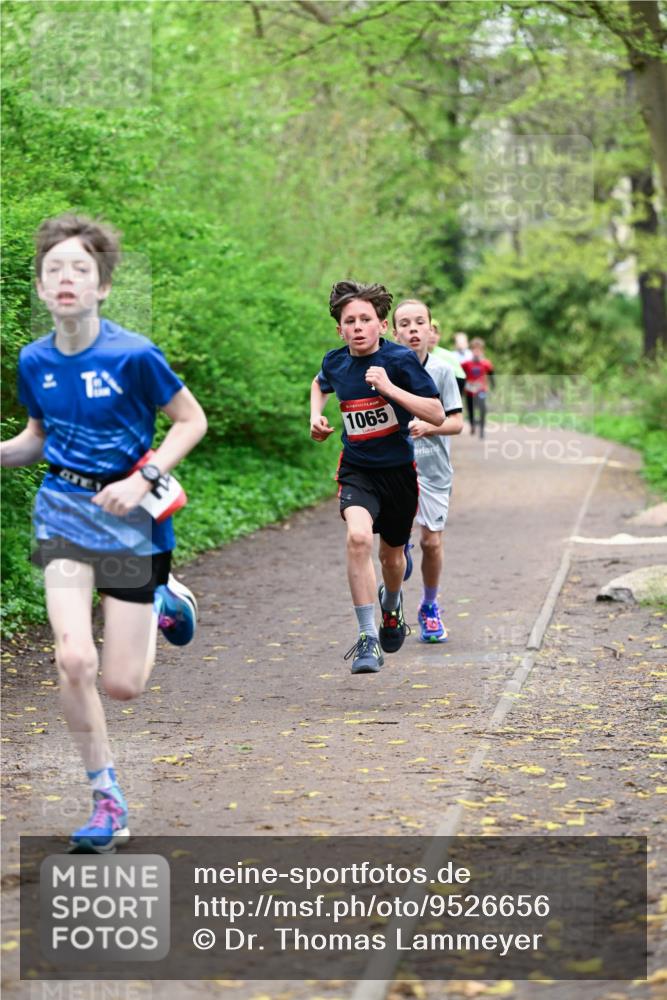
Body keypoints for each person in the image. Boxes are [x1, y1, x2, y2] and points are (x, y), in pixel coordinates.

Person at [0, 214, 207, 851]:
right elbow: (37, 439)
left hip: (130, 521)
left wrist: (144, 479)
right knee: (72, 659)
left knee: (123, 684)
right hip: (62, 510)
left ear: (102, 287)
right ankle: (106, 798)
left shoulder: (133, 355)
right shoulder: (33, 360)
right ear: (40, 287)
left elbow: (189, 422)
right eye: (54, 269)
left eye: (80, 269)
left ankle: (168, 596)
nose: (66, 279)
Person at [310, 281, 444, 675]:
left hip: (399, 474)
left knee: (392, 559)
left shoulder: (401, 361)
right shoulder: (335, 362)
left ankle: (392, 606)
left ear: (381, 325)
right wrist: (315, 418)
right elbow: (319, 384)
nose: (357, 327)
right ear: (340, 330)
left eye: (365, 319)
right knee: (357, 538)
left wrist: (389, 388)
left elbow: (436, 413)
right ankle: (367, 636)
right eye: (349, 321)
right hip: (358, 470)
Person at [392, 299, 463, 642]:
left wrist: (429, 427)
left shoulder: (442, 372)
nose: (413, 329)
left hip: (434, 470)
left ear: (430, 329)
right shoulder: (385, 370)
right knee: (397, 544)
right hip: (394, 467)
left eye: (419, 322)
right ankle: (400, 548)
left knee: (431, 542)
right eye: (405, 324)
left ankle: (429, 607)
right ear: (394, 332)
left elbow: (457, 423)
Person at [461, 337, 495, 438]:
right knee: (470, 409)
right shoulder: (466, 364)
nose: (476, 352)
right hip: (470, 390)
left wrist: (493, 386)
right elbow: (461, 375)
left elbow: (491, 375)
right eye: (474, 349)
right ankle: (472, 426)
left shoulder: (486, 363)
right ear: (471, 350)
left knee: (482, 408)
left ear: (482, 350)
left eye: (479, 349)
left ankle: (482, 429)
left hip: (481, 390)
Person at [428, 319, 466, 396]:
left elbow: (461, 378)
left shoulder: (447, 356)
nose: (433, 336)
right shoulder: (413, 354)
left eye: (436, 333)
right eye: (429, 332)